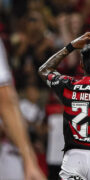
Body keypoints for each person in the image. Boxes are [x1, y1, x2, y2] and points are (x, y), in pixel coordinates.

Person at [38, 32, 90, 180]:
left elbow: (44, 70)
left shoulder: (68, 86)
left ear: (81, 65)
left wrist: (70, 46)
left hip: (73, 158)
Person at [0, 38, 46, 180]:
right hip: (9, 149)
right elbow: (5, 98)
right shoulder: (23, 105)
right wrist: (29, 160)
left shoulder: (37, 108)